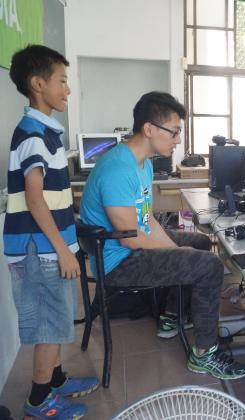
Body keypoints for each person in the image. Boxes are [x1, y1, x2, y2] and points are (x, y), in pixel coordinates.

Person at [80, 91, 245, 380]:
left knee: (199, 242)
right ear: (149, 129)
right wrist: (176, 253)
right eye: (174, 131)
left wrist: (175, 249)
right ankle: (204, 354)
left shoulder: (142, 163)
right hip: (119, 261)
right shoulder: (118, 169)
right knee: (209, 266)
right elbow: (130, 238)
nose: (178, 140)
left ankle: (172, 315)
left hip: (132, 246)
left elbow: (147, 220)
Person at [4, 45, 99, 419]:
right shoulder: (33, 135)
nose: (67, 89)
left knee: (57, 318)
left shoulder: (45, 131)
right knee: (48, 323)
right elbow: (35, 199)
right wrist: (62, 249)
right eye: (62, 80)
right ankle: (39, 400)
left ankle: (55, 379)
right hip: (40, 250)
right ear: (37, 84)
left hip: (49, 246)